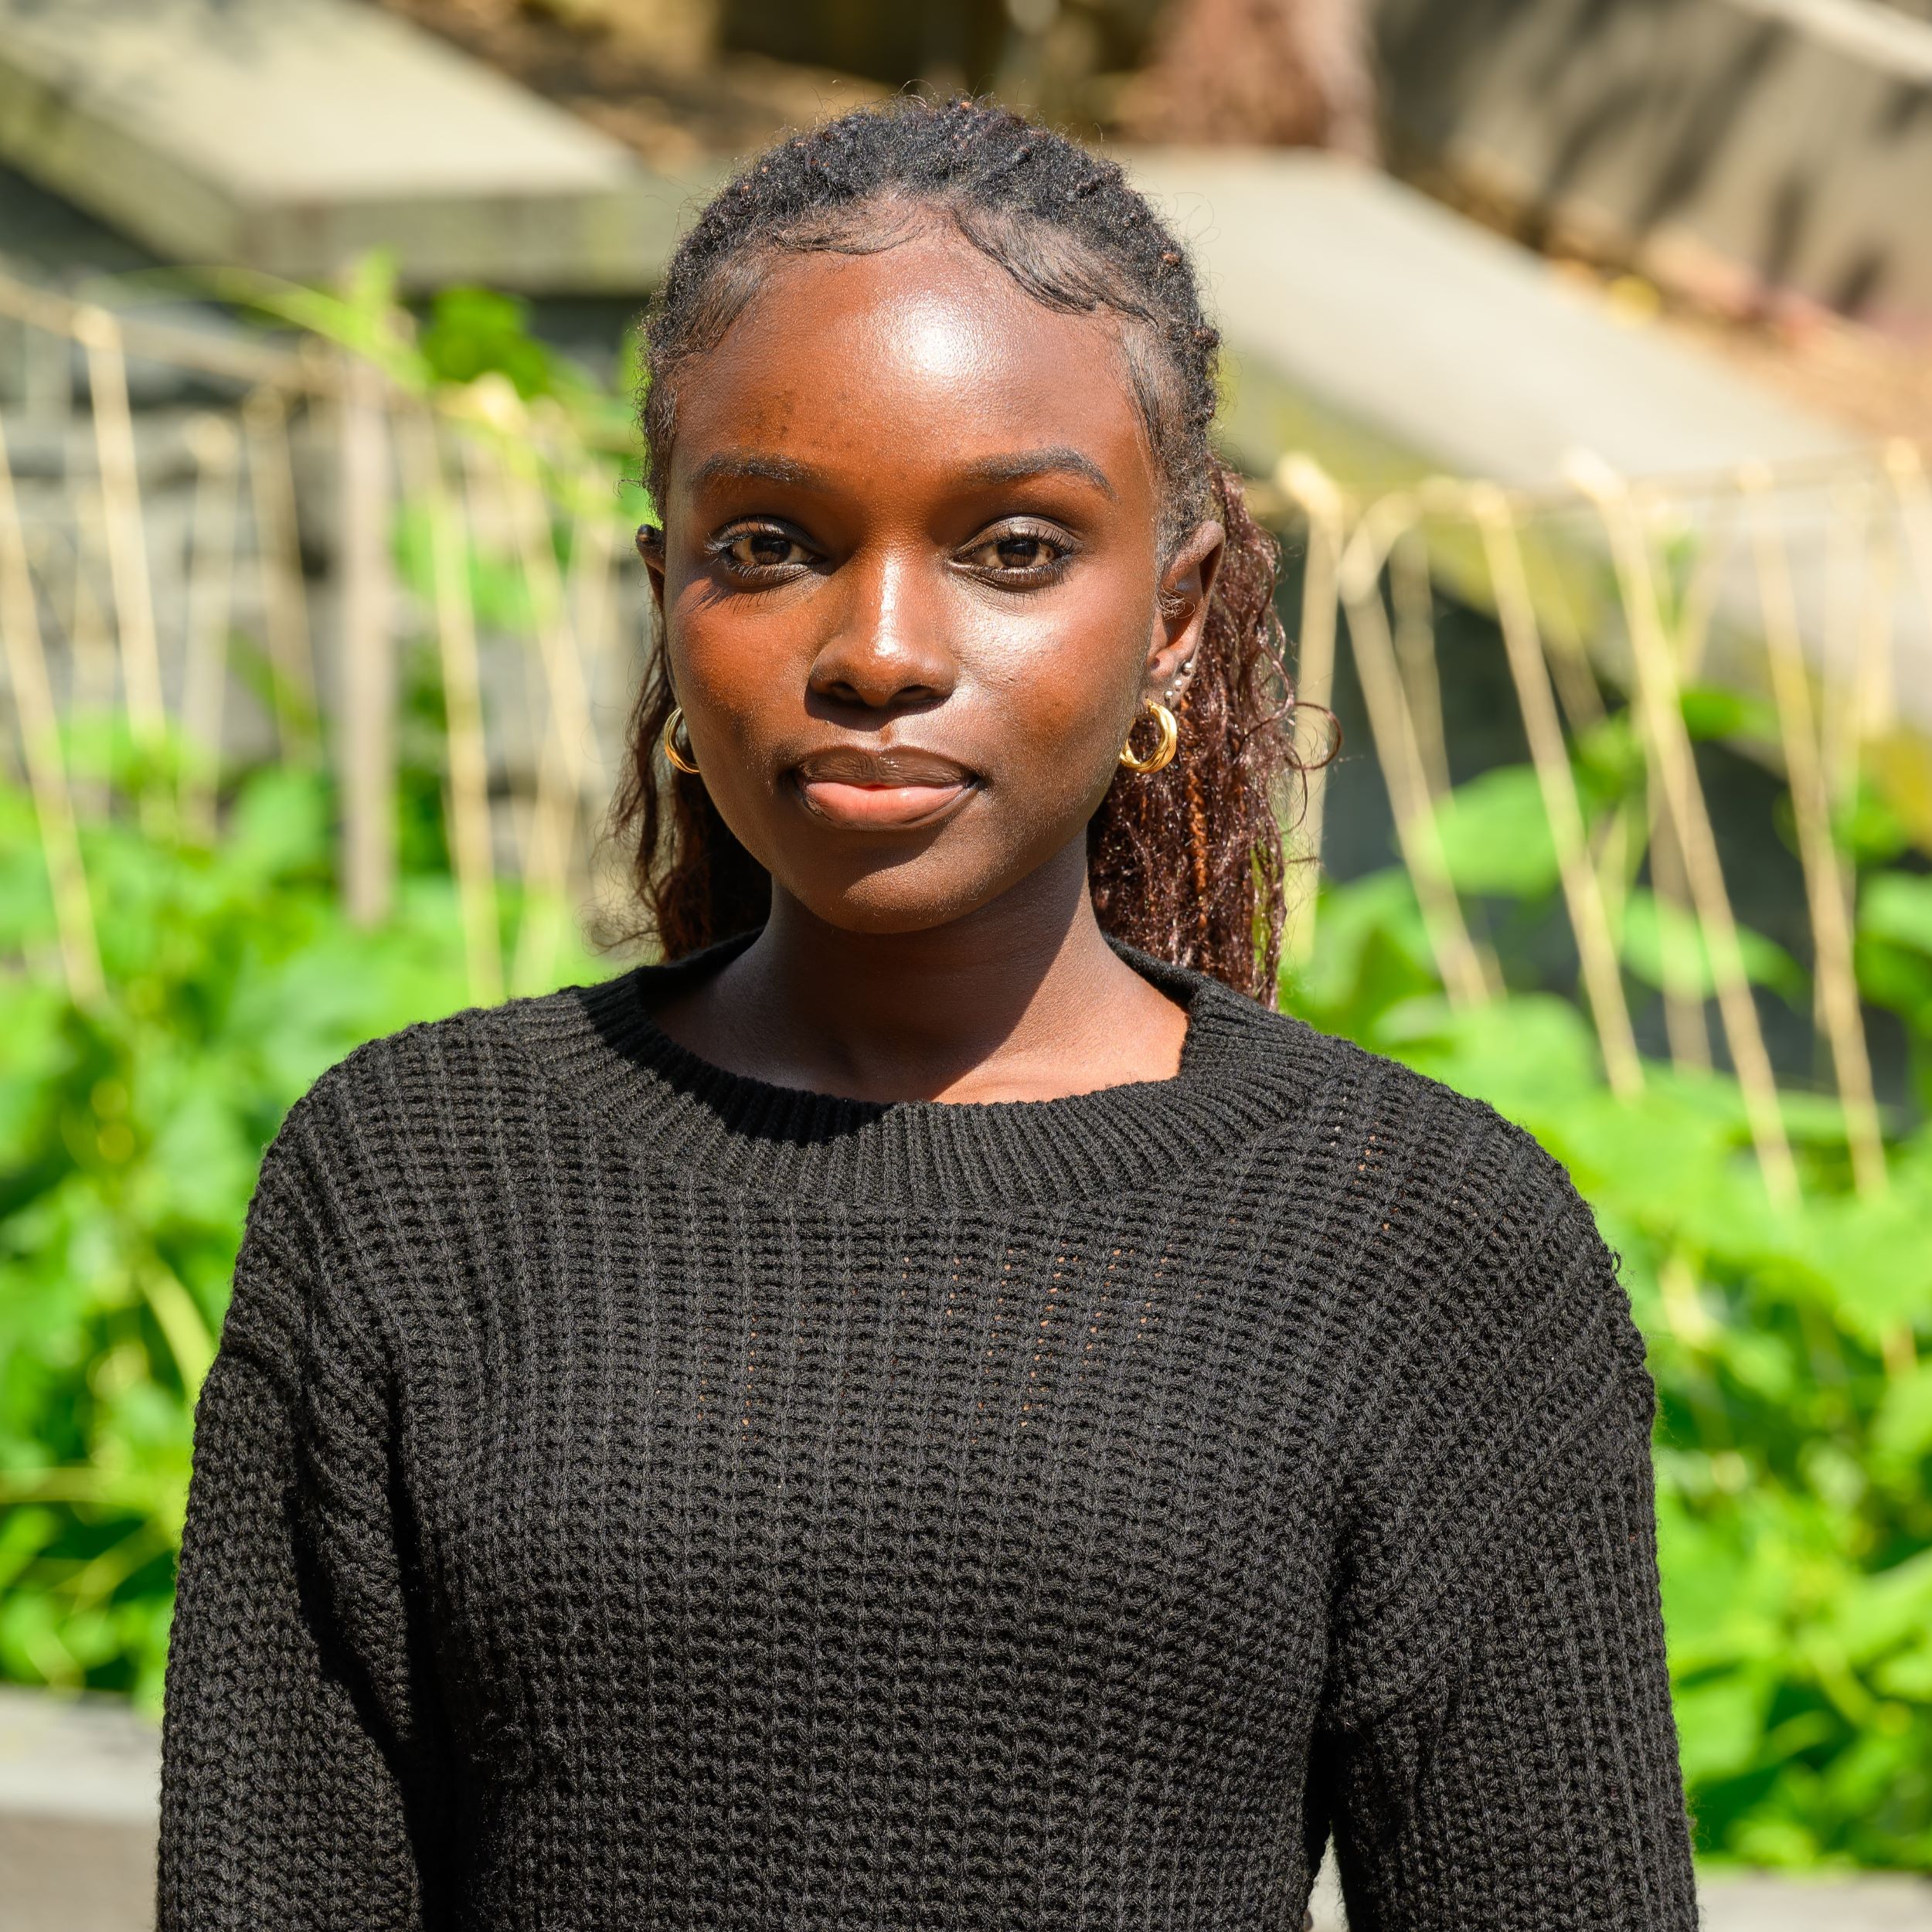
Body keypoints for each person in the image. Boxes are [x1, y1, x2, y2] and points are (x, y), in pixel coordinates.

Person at [156, 95, 1698, 1932]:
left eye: (1015, 546)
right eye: (769, 543)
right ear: (664, 596)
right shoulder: (416, 1188)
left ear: (1176, 614)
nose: (879, 648)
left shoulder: (1420, 1246)